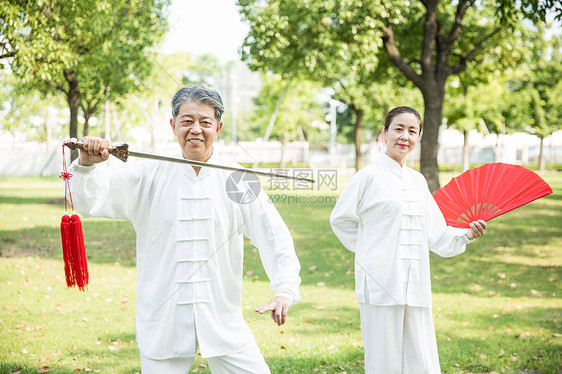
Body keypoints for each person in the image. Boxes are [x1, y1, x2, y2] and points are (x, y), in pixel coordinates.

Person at [68, 85, 302, 373]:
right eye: (187, 121)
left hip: (222, 318)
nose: (195, 130)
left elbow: (274, 235)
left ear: (218, 127)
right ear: (172, 125)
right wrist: (87, 166)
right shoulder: (145, 173)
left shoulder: (238, 178)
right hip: (162, 320)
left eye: (205, 122)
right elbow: (90, 203)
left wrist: (285, 289)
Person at [330, 106, 487, 374]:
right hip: (381, 282)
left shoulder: (417, 181)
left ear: (418, 137)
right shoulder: (367, 177)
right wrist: (372, 251)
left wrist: (466, 234)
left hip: (415, 283)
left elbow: (434, 231)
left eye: (412, 131)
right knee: (384, 361)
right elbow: (340, 220)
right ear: (384, 133)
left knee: (421, 359)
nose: (405, 136)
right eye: (398, 129)